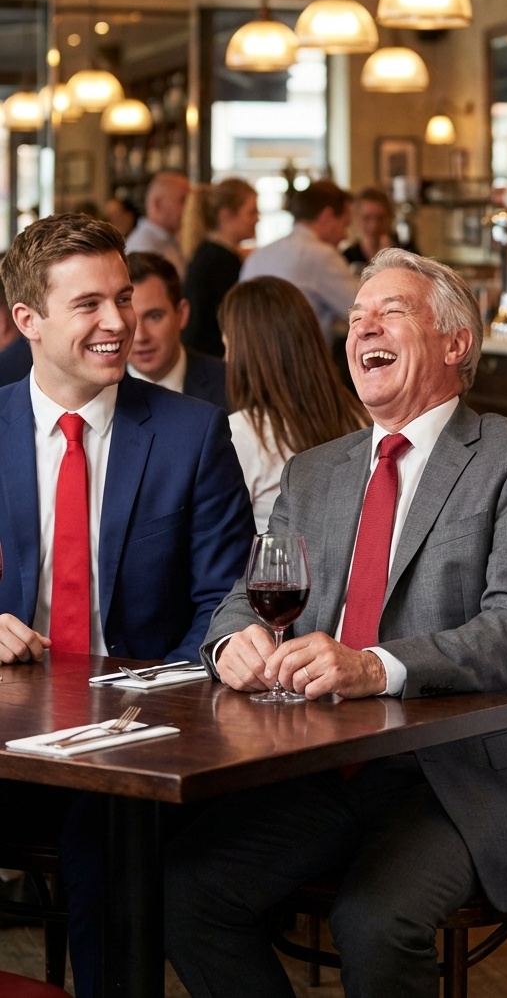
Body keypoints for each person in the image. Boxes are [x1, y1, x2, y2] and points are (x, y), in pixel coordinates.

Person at [165, 248, 507, 998]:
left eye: (391, 311)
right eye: (356, 316)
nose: (365, 327)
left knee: (372, 919)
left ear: (456, 343)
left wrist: (374, 666)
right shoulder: (314, 470)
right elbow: (247, 592)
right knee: (189, 891)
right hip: (326, 765)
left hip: (460, 776)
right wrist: (234, 641)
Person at [0, 213, 253, 998]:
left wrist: (138, 702)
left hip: (133, 738)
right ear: (28, 321)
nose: (118, 324)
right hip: (8, 728)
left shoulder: (191, 432)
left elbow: (226, 599)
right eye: (90, 306)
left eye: (123, 298)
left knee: (104, 844)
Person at [218, 276, 368, 531]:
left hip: (275, 569)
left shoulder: (241, 433)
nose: (225, 359)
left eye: (227, 347)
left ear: (246, 353)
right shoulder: (359, 415)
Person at [239, 179, 357, 346]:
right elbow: (364, 310)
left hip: (249, 363)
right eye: (345, 225)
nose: (345, 236)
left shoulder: (258, 255)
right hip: (299, 366)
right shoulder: (321, 255)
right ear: (327, 217)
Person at [126, 251, 228, 410]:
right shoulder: (98, 392)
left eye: (154, 317)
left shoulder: (230, 385)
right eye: (129, 320)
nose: (140, 337)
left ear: (181, 314)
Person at [181, 177, 258, 358]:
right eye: (251, 212)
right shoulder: (218, 261)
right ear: (226, 216)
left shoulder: (211, 254)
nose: (257, 218)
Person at [125, 169, 190, 276]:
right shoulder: (143, 247)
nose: (189, 208)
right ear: (158, 204)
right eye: (182, 200)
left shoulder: (172, 238)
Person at [342, 186, 417, 272]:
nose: (374, 225)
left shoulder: (407, 253)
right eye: (367, 218)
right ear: (357, 218)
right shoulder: (348, 257)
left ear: (390, 218)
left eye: (380, 218)